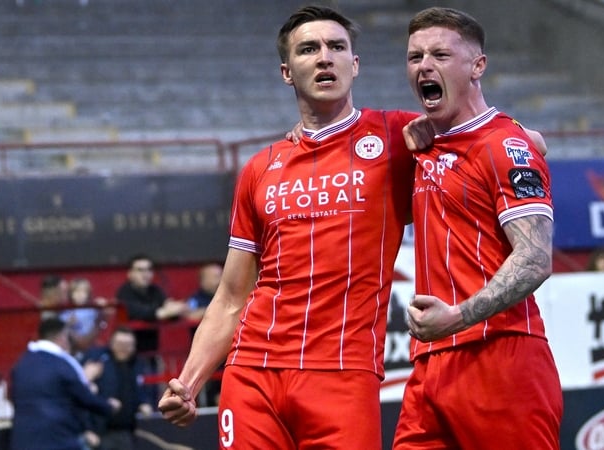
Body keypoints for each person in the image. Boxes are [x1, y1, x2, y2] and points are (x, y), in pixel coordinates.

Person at [157, 5, 419, 448]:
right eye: (309, 49)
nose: (324, 58)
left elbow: (498, 142)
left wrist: (512, 141)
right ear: (287, 72)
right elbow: (232, 295)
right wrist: (189, 381)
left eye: (337, 47)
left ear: (354, 65)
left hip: (344, 373)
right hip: (253, 373)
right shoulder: (261, 168)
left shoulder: (398, 136)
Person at [392, 7, 562, 449]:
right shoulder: (420, 142)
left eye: (440, 55)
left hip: (500, 354)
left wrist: (458, 317)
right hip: (429, 364)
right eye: (415, 57)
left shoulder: (506, 144)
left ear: (477, 65)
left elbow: (535, 259)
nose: (424, 65)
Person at [10, 317, 121, 450]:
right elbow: (83, 397)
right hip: (58, 439)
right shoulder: (64, 362)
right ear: (62, 337)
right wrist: (108, 406)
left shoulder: (21, 363)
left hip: (23, 440)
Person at [83, 326, 155, 450]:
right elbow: (81, 396)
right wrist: (87, 429)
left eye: (128, 345)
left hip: (128, 431)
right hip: (100, 431)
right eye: (120, 344)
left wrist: (145, 403)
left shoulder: (139, 364)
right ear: (111, 343)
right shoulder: (97, 360)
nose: (124, 349)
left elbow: (145, 390)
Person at [115, 254, 188, 355]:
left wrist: (171, 310)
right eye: (140, 270)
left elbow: (171, 308)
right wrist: (161, 312)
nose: (145, 274)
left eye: (149, 270)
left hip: (152, 351)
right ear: (130, 274)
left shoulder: (155, 290)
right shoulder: (124, 292)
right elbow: (139, 312)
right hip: (129, 354)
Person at [61, 278, 108, 359]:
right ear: (70, 294)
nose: (80, 294)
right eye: (76, 291)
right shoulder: (66, 313)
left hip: (93, 347)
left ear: (88, 294)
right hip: (73, 350)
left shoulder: (94, 310)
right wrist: (68, 324)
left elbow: (104, 323)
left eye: (83, 291)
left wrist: (104, 309)